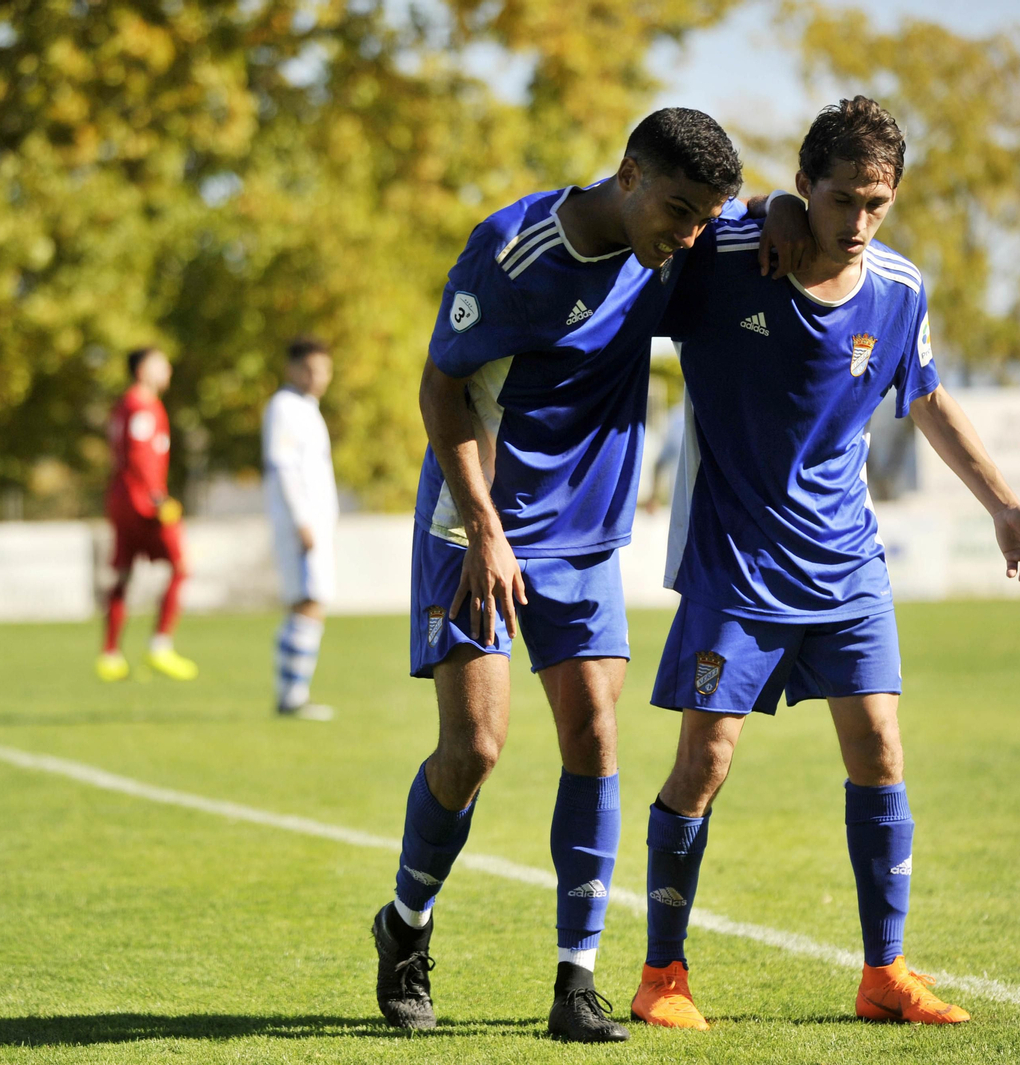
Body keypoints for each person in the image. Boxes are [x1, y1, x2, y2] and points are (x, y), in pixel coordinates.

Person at [367, 107, 812, 1043]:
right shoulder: (514, 253)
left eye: (705, 219)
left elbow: (775, 226)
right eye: (678, 212)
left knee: (595, 730)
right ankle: (405, 924)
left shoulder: (678, 245)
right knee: (475, 751)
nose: (689, 236)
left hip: (585, 538)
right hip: (474, 525)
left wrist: (771, 207)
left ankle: (577, 980)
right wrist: (487, 528)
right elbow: (439, 388)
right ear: (628, 175)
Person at [628, 96, 1020, 1031]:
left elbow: (928, 396)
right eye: (841, 200)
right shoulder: (728, 258)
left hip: (845, 565)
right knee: (703, 762)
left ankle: (885, 973)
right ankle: (663, 973)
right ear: (802, 188)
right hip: (735, 561)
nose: (860, 222)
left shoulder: (900, 288)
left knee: (880, 753)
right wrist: (754, 213)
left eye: (878, 202)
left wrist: (1002, 504)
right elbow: (644, 243)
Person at [97, 346, 198, 682]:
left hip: (122, 498)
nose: (168, 369)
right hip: (143, 502)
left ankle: (110, 654)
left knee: (123, 575)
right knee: (181, 567)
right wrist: (157, 498)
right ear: (142, 370)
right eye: (161, 364)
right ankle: (160, 646)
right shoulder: (141, 405)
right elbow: (139, 453)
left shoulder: (125, 404)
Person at [262, 336, 339, 721]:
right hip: (302, 527)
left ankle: (292, 692)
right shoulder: (285, 407)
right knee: (308, 603)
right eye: (309, 369)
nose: (317, 377)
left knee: (310, 603)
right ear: (291, 369)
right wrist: (302, 521)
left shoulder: (308, 409)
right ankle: (291, 695)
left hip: (315, 525)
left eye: (323, 369)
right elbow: (284, 468)